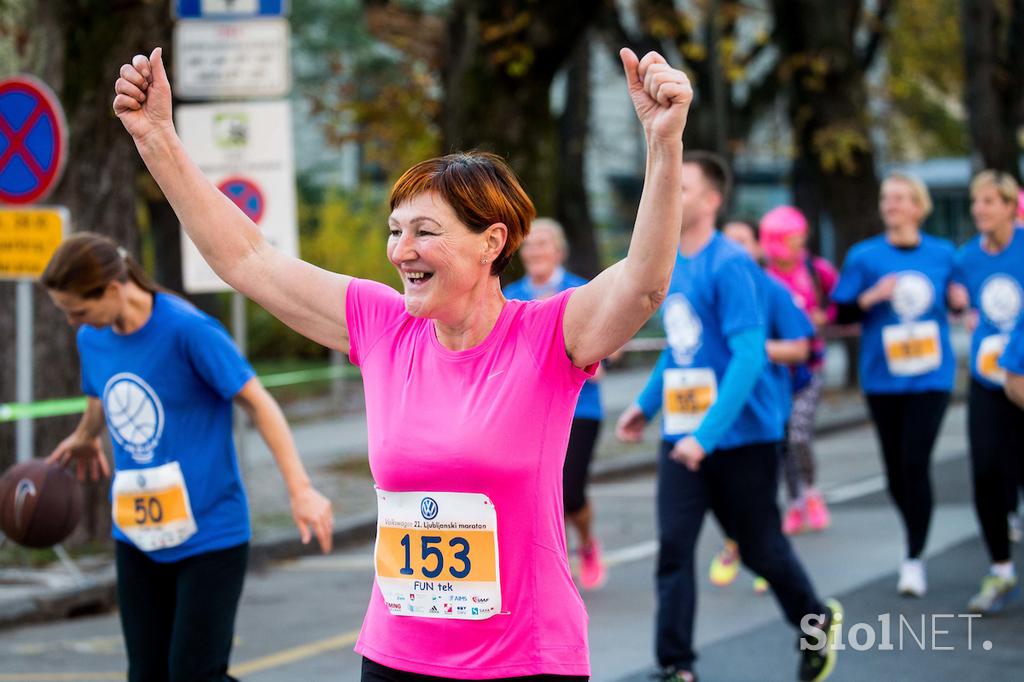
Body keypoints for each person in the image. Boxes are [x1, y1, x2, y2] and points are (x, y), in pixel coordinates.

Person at [113, 45, 691, 680]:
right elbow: (248, 259)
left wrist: (663, 145)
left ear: (491, 242)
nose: (400, 250)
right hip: (397, 660)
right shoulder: (382, 325)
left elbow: (642, 286)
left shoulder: (548, 334)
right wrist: (158, 140)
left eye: (423, 231)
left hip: (525, 660)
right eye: (395, 230)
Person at [42, 233, 333, 682]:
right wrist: (85, 435)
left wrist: (300, 489)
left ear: (114, 290)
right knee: (146, 674)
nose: (71, 321)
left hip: (210, 533)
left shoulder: (188, 330)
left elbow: (260, 403)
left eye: (77, 310)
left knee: (195, 675)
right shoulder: (92, 338)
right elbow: (102, 390)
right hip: (136, 533)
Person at [615, 156, 841, 682]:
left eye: (685, 186)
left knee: (763, 550)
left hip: (741, 440)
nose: (674, 192)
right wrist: (644, 406)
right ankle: (677, 666)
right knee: (674, 547)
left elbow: (749, 357)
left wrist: (705, 436)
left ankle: (815, 620)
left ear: (712, 200)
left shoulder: (731, 264)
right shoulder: (672, 264)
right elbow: (683, 349)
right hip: (683, 437)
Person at [831, 172, 955, 598]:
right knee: (895, 472)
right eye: (887, 198)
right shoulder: (864, 257)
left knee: (915, 462)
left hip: (932, 376)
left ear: (918, 206)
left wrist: (962, 301)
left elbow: (960, 295)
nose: (892, 205)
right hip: (883, 379)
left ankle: (914, 557)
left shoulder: (942, 254)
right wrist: (871, 297)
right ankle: (912, 535)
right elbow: (841, 314)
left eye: (901, 198)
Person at [708, 219, 815, 594]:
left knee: (758, 499)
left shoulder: (771, 289)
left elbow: (801, 347)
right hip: (713, 411)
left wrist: (751, 350)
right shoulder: (708, 285)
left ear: (757, 248)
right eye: (729, 241)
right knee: (715, 492)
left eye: (743, 242)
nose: (734, 249)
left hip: (763, 410)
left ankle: (762, 559)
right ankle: (737, 543)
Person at [504, 218, 606, 591]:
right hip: (525, 412)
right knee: (529, 493)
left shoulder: (581, 292)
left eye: (543, 243)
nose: (535, 251)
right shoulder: (510, 295)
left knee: (571, 489)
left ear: (558, 250)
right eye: (529, 245)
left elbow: (602, 359)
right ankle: (547, 565)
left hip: (579, 409)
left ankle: (587, 544)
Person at [949, 170, 1024, 614]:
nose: (978, 209)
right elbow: (957, 295)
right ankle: (1000, 570)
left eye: (988, 202)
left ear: (1010, 206)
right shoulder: (966, 257)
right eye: (975, 201)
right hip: (987, 381)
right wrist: (960, 305)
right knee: (986, 474)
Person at [759, 206, 839, 535]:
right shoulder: (763, 277)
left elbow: (839, 300)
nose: (797, 245)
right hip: (776, 371)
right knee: (781, 440)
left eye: (800, 238)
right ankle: (793, 502)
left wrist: (826, 317)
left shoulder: (815, 269)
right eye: (791, 239)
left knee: (798, 435)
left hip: (809, 368)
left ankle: (810, 491)